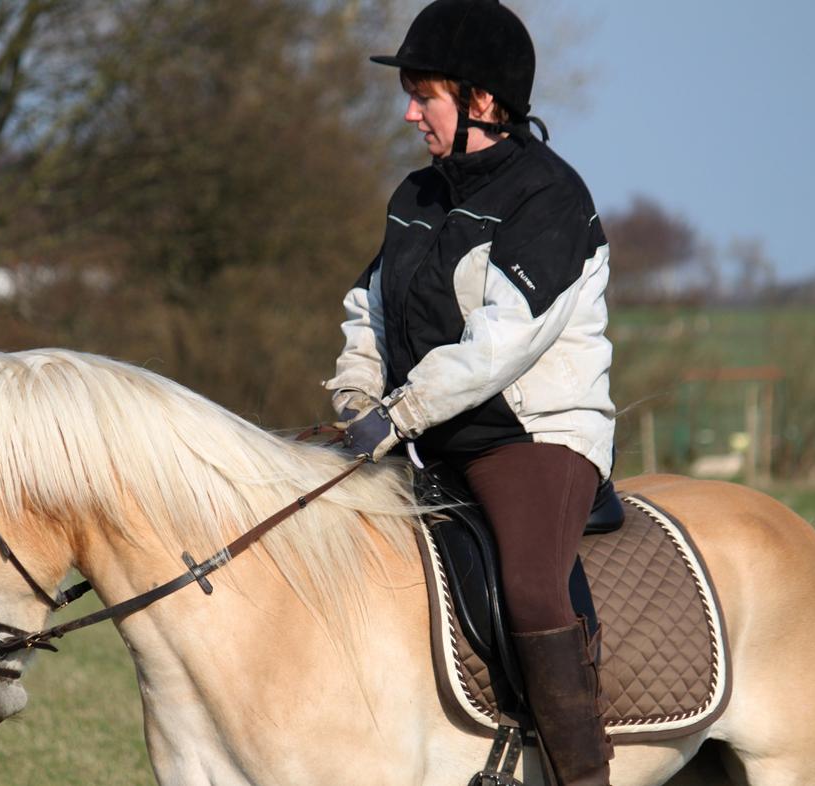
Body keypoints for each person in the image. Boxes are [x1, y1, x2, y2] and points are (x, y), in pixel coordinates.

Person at [324, 1, 615, 784]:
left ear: (481, 102)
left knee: (528, 587)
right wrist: (356, 389)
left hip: (532, 437)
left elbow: (500, 343)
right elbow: (372, 306)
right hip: (424, 434)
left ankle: (583, 773)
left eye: (426, 95)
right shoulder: (416, 196)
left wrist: (399, 414)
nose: (410, 111)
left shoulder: (551, 199)